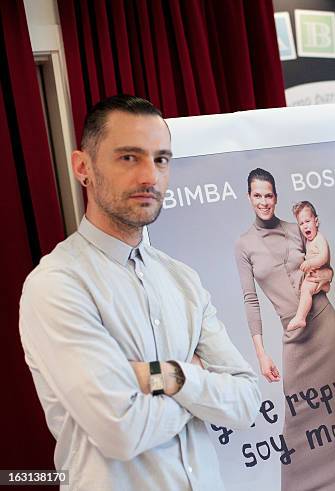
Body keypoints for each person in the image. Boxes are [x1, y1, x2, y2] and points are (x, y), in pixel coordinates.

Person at [19, 95, 261, 490]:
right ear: (83, 167)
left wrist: (172, 376)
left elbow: (247, 402)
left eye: (161, 159)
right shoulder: (57, 286)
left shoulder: (181, 279)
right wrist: (200, 387)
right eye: (129, 158)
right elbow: (122, 430)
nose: (150, 176)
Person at [234, 169, 335, 491]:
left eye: (269, 195)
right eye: (257, 195)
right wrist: (261, 353)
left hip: (324, 322)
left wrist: (324, 279)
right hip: (294, 333)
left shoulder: (296, 229)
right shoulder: (243, 245)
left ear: (276, 196)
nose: (264, 201)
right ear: (249, 198)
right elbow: (251, 300)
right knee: (299, 416)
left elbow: (325, 267)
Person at [287, 200, 331, 331]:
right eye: (301, 223)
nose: (305, 226)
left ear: (316, 222)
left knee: (305, 290)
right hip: (317, 277)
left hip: (319, 274)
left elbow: (323, 257)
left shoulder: (319, 239)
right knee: (305, 288)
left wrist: (310, 263)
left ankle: (300, 317)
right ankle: (324, 285)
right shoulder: (308, 241)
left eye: (307, 221)